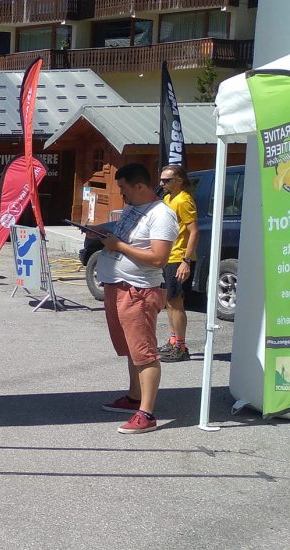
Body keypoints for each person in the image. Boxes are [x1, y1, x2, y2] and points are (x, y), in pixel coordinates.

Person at [88, 163, 178, 434]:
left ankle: (146, 413)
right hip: (117, 286)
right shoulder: (132, 208)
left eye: (123, 188)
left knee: (144, 353)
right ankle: (134, 397)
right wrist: (102, 231)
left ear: (139, 186)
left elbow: (159, 258)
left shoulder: (161, 214)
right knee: (131, 348)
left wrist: (118, 246)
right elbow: (123, 235)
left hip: (138, 290)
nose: (121, 193)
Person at [157, 165, 199, 362]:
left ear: (179, 181)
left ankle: (181, 347)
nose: (162, 183)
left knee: (176, 303)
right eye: (161, 180)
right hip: (167, 256)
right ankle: (173, 340)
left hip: (178, 258)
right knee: (169, 302)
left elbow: (194, 231)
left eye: (166, 180)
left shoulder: (183, 200)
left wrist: (186, 261)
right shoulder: (167, 199)